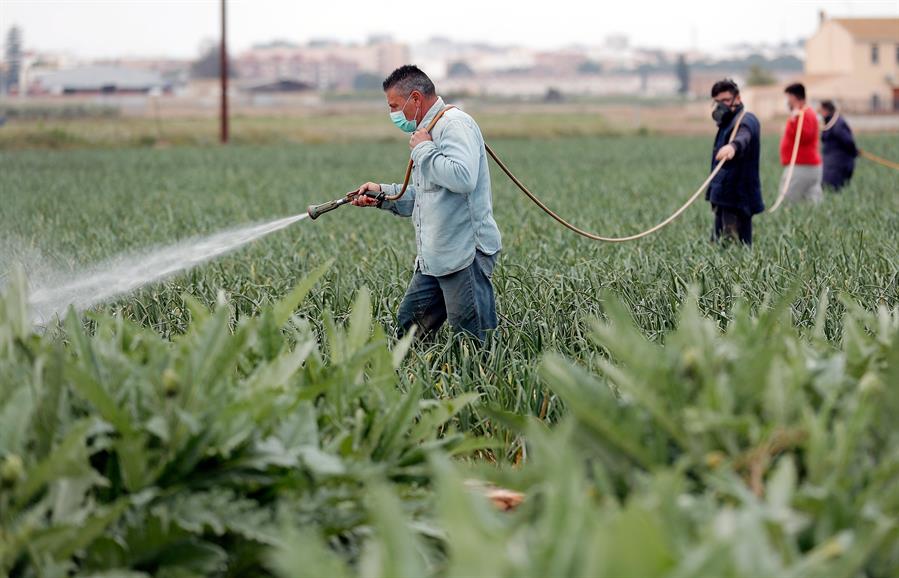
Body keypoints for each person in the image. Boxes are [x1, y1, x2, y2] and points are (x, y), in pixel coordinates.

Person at [351, 65, 502, 342]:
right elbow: (426, 196)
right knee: (410, 326)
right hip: (436, 257)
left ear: (416, 99)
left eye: (395, 106)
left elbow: (463, 178)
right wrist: (381, 195)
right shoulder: (428, 130)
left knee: (473, 338)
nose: (393, 114)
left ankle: (486, 382)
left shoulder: (453, 125)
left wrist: (423, 149)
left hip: (464, 253)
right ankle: (414, 380)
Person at [706, 79, 764, 245]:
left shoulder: (747, 119)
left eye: (725, 100)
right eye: (717, 102)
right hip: (723, 196)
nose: (721, 105)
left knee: (734, 247)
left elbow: (744, 136)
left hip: (738, 199)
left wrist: (733, 147)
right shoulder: (726, 122)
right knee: (718, 244)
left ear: (737, 98)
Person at [780, 83, 823, 203]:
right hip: (810, 166)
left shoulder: (803, 114)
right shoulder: (807, 113)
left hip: (801, 166)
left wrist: (794, 120)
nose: (787, 101)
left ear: (794, 97)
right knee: (812, 204)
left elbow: (805, 136)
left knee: (788, 203)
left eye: (788, 98)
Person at [818, 100, 858, 191]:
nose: (819, 113)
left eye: (820, 110)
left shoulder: (837, 123)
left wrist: (854, 151)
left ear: (826, 110)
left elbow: (848, 141)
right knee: (827, 188)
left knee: (835, 189)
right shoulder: (828, 122)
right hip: (831, 163)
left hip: (838, 164)